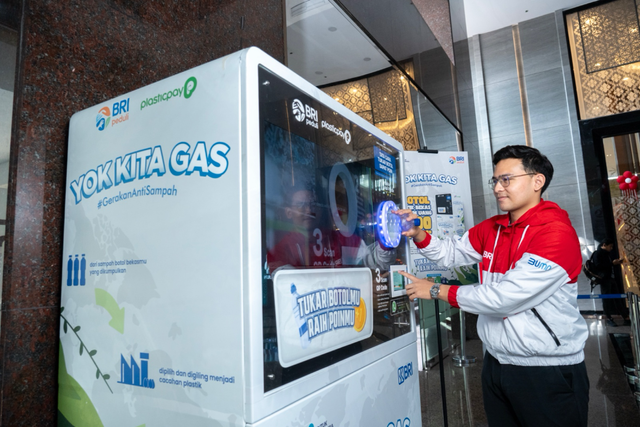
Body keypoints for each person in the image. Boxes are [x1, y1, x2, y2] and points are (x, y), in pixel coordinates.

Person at [396, 145, 589, 427]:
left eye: (507, 179)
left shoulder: (556, 234)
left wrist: (437, 290)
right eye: (495, 180)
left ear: (538, 181)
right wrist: (418, 233)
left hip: (547, 370)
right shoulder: (492, 228)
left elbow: (505, 298)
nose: (498, 187)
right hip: (496, 364)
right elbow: (450, 253)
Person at [267, 187, 394, 271]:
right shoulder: (280, 251)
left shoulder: (342, 240)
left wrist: (386, 241)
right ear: (289, 212)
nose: (309, 210)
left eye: (313, 204)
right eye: (301, 205)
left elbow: (377, 265)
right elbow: (291, 292)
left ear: (321, 210)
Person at [591, 238, 627, 326]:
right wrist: (612, 263)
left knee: (617, 298)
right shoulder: (598, 253)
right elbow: (598, 266)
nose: (611, 248)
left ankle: (625, 317)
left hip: (611, 278)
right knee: (606, 299)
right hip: (604, 279)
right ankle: (609, 318)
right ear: (604, 245)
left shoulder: (607, 254)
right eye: (610, 246)